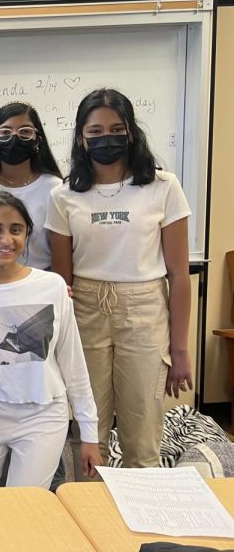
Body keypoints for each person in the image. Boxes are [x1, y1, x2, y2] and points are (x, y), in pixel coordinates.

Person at [46, 88, 192, 474]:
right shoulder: (64, 195)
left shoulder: (163, 186)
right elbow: (63, 281)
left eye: (116, 129)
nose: (105, 138)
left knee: (141, 434)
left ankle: (138, 526)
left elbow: (179, 275)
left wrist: (179, 350)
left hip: (144, 308)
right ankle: (88, 520)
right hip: (85, 309)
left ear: (130, 133)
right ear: (81, 136)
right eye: (95, 131)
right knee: (87, 432)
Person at [0, 192, 101, 488]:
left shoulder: (51, 286)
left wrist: (89, 434)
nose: (6, 239)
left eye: (16, 230)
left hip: (43, 414)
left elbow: (73, 363)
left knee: (24, 509)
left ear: (27, 233)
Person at [0, 102, 63, 272]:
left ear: (37, 140)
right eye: (5, 132)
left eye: (25, 131)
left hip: (41, 283)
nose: (14, 137)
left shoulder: (55, 188)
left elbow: (62, 251)